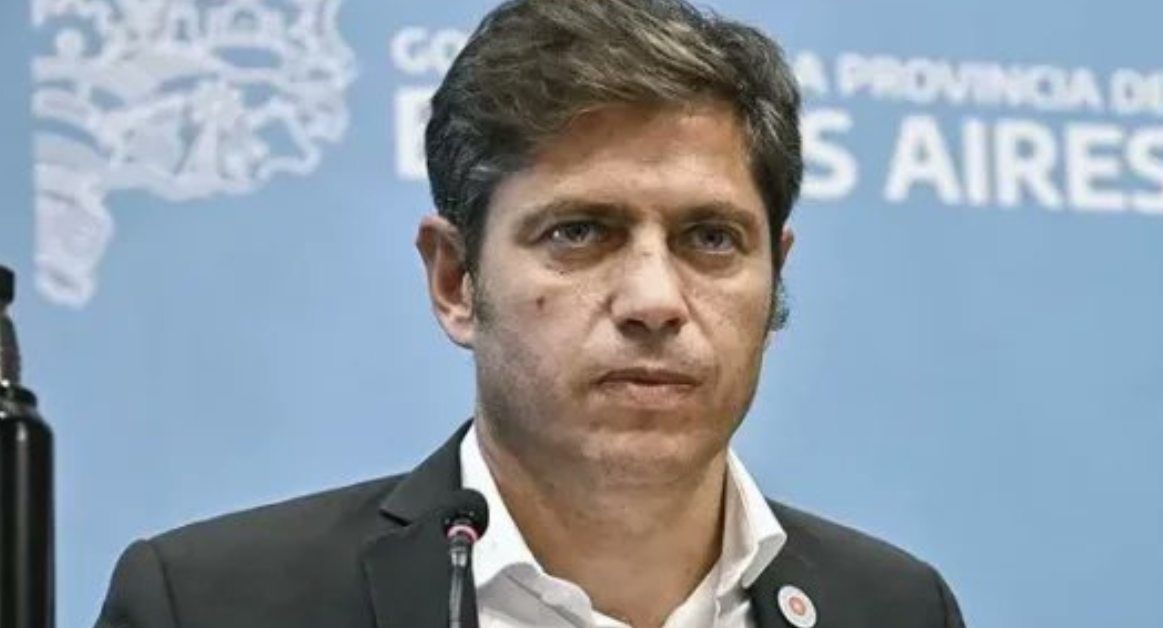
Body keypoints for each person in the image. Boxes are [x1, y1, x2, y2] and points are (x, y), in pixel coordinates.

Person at [94, 1, 967, 627]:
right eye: (580, 232)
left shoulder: (893, 608)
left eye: (710, 238)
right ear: (455, 281)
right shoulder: (211, 604)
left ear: (775, 280)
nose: (655, 301)